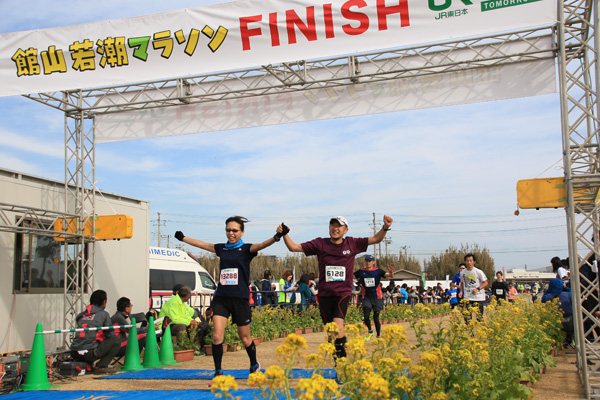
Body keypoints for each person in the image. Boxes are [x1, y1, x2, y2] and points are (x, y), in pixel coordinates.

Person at [174, 216, 282, 381]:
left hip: (240, 299)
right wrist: (183, 238)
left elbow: (261, 245)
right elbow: (203, 244)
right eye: (228, 230)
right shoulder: (222, 248)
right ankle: (218, 373)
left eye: (235, 230)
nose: (231, 233)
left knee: (245, 338)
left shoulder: (246, 249)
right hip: (222, 298)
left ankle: (254, 365)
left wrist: (276, 237)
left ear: (242, 232)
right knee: (217, 337)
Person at [281, 215, 393, 359]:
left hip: (343, 293)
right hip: (324, 294)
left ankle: (342, 361)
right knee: (330, 330)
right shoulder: (320, 243)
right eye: (332, 225)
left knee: (338, 326)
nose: (335, 228)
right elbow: (294, 247)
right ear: (329, 228)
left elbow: (376, 239)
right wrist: (284, 234)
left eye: (339, 226)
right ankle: (337, 359)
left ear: (345, 230)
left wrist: (385, 227)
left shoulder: (352, 243)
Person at [70, 289, 121, 374]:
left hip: (74, 352)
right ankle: (101, 366)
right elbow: (110, 334)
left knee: (90, 339)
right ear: (104, 302)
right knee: (116, 341)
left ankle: (89, 364)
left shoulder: (81, 315)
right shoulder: (104, 314)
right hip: (90, 353)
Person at [354, 254, 394, 340]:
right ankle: (370, 331)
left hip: (377, 297)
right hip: (366, 297)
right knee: (366, 316)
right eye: (366, 261)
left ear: (373, 262)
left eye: (370, 261)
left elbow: (390, 276)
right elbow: (351, 276)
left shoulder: (378, 271)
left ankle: (378, 335)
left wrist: (391, 272)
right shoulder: (361, 271)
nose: (368, 263)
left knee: (376, 318)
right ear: (365, 262)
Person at [159, 286, 209, 354]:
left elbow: (186, 316)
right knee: (182, 326)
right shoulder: (173, 303)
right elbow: (174, 319)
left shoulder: (182, 303)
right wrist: (189, 322)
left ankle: (196, 348)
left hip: (174, 323)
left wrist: (193, 321)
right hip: (166, 326)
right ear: (187, 296)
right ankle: (182, 348)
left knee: (195, 326)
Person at [541, 278, 574, 348]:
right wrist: (565, 288)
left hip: (555, 325)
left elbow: (543, 300)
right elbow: (575, 293)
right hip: (570, 324)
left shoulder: (547, 297)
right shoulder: (569, 294)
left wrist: (548, 290)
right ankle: (569, 340)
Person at [459, 254, 488, 320]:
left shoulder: (478, 272)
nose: (469, 262)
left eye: (471, 261)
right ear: (465, 262)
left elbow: (486, 282)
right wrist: (461, 291)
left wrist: (478, 289)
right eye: (467, 261)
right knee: (467, 317)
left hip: (478, 297)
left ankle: (479, 329)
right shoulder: (462, 273)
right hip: (468, 297)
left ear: (474, 262)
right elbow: (462, 283)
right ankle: (469, 329)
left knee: (479, 318)